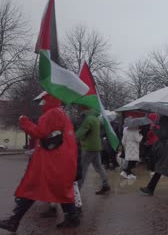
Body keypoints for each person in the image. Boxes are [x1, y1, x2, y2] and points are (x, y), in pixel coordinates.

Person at [0, 93, 80, 232]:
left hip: (51, 161)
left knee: (32, 187)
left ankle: (14, 221)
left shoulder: (50, 114)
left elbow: (40, 133)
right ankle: (73, 218)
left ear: (48, 100)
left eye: (43, 101)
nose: (41, 104)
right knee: (61, 189)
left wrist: (24, 122)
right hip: (61, 159)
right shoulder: (61, 113)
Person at [140, 116, 168, 195]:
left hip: (167, 149)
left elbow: (163, 135)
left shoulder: (166, 123)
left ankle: (150, 188)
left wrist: (154, 128)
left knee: (160, 168)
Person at [76, 107, 111, 195]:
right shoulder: (95, 118)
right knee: (99, 167)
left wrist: (73, 137)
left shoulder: (88, 119)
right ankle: (105, 184)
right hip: (96, 147)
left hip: (88, 147)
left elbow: (81, 132)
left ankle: (77, 192)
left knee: (83, 169)